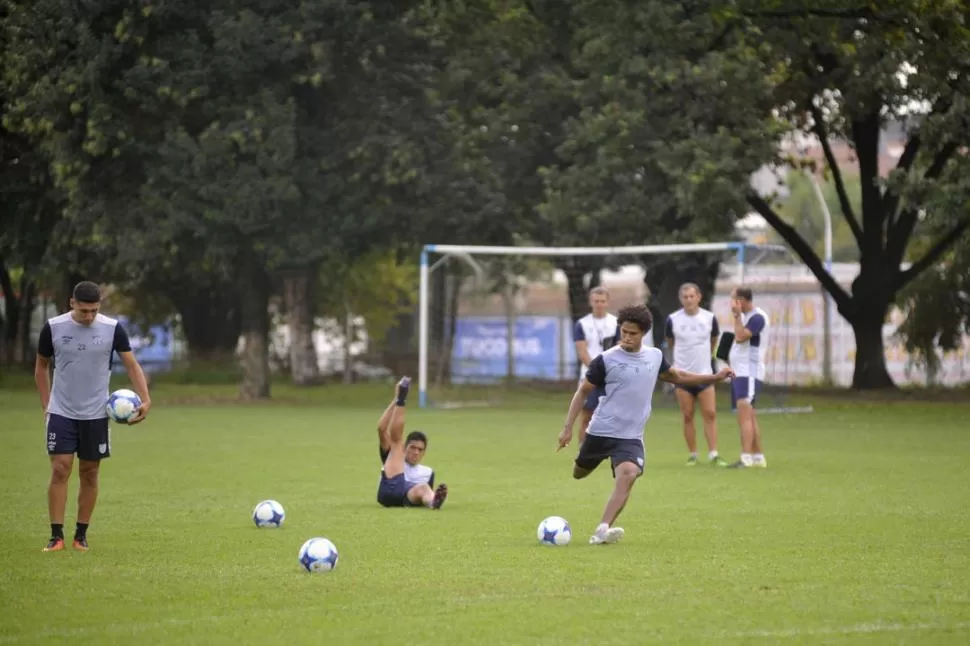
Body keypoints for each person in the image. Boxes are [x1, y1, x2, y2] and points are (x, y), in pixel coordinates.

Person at [557, 304, 734, 545]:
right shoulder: (605, 360)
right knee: (579, 473)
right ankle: (588, 464)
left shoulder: (654, 357)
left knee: (629, 473)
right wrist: (567, 427)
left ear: (643, 333)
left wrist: (713, 377)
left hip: (630, 435)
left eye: (633, 333)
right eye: (624, 332)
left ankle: (602, 529)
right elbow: (582, 392)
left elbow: (678, 376)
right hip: (600, 432)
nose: (627, 337)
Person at [35, 281, 152, 552]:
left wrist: (145, 399)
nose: (89, 317)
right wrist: (46, 404)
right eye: (84, 310)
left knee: (89, 472)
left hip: (96, 413)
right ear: (72, 303)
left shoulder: (112, 329)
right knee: (60, 468)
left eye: (94, 311)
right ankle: (56, 536)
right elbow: (41, 367)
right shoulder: (53, 327)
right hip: (62, 410)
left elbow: (131, 364)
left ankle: (81, 535)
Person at [664, 283, 728, 467]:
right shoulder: (673, 320)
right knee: (687, 415)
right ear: (680, 299)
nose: (689, 300)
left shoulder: (709, 318)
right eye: (685, 297)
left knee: (710, 413)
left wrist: (707, 358)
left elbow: (714, 340)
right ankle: (693, 454)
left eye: (692, 296)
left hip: (705, 374)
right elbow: (670, 343)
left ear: (698, 297)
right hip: (682, 376)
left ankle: (714, 453)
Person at [376, 376, 448, 509]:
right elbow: (381, 429)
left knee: (424, 488)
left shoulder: (428, 472)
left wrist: (428, 497)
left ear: (424, 453)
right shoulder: (393, 457)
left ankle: (433, 503)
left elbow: (421, 495)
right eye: (412, 447)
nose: (415, 452)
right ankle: (401, 401)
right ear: (405, 448)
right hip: (389, 487)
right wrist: (396, 400)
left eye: (420, 450)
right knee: (396, 442)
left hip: (407, 497)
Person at [726, 286, 769, 469]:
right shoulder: (747, 317)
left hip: (749, 372)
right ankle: (758, 457)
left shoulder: (757, 317)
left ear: (741, 301)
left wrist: (736, 317)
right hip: (741, 371)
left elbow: (741, 337)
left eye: (733, 300)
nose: (731, 304)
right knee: (749, 415)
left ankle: (746, 458)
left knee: (744, 412)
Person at [572, 287, 618, 445]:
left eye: (602, 301)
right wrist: (596, 370)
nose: (599, 304)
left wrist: (609, 370)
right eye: (596, 301)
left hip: (611, 376)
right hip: (589, 376)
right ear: (591, 302)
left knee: (612, 416)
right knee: (587, 415)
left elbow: (619, 349)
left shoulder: (616, 323)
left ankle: (611, 450)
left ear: (608, 302)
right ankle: (582, 450)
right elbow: (583, 352)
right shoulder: (582, 324)